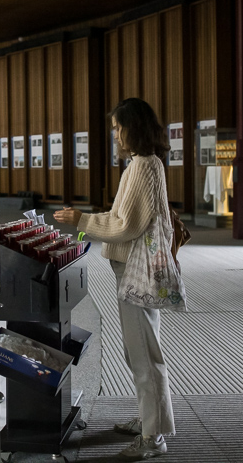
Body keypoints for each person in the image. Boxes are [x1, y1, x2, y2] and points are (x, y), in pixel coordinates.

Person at [55, 98, 181, 461]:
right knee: (139, 350)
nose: (115, 135)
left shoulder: (142, 167)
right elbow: (126, 217)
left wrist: (82, 220)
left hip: (136, 271)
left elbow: (126, 225)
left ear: (133, 128)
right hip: (135, 270)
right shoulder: (145, 164)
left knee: (143, 354)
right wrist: (89, 221)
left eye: (118, 128)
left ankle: (153, 436)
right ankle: (149, 419)